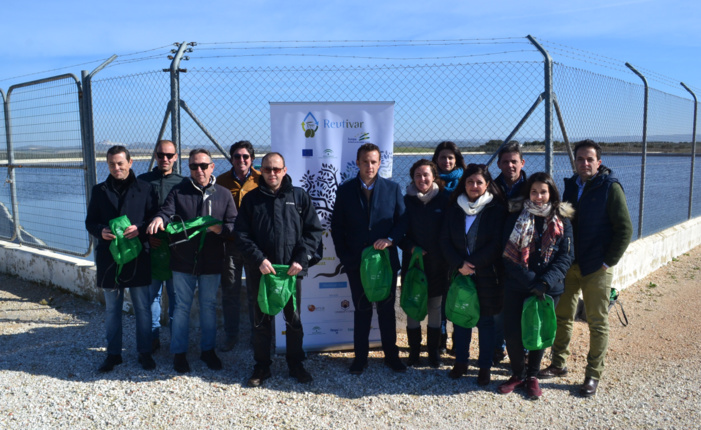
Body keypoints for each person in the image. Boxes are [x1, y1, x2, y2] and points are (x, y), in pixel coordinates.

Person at [540, 140, 632, 397]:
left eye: (589, 159)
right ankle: (558, 364)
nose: (584, 163)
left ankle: (593, 375)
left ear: (598, 162)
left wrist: (607, 261)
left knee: (597, 321)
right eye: (580, 159)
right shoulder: (569, 187)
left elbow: (624, 229)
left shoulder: (609, 188)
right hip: (569, 265)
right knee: (563, 317)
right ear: (575, 162)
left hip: (597, 268)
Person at [235, 152, 323, 387]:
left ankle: (296, 364)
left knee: (293, 320)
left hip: (290, 273)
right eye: (267, 169)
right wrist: (259, 259)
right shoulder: (251, 199)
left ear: (284, 170)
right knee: (261, 319)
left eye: (276, 169)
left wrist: (301, 258)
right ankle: (262, 366)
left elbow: (313, 232)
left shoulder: (299, 196)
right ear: (260, 171)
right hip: (262, 272)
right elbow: (241, 235)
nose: (271, 173)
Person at [147, 148, 237, 374]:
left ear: (212, 167)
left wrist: (221, 228)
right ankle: (179, 353)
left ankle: (208, 351)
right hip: (183, 262)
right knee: (181, 309)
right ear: (188, 168)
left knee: (208, 307)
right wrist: (159, 218)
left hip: (212, 262)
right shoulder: (179, 191)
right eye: (194, 166)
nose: (199, 170)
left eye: (203, 166)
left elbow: (235, 225)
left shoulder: (224, 194)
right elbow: (166, 212)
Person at [331, 143, 408, 375]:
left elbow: (403, 221)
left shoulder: (393, 188)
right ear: (357, 162)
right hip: (357, 263)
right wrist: (346, 257)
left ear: (379, 163)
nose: (369, 166)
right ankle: (360, 358)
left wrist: (391, 239)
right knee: (362, 309)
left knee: (386, 311)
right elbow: (337, 227)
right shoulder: (345, 190)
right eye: (365, 161)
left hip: (384, 263)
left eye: (374, 161)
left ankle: (391, 357)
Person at [497, 172, 574, 399]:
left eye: (543, 192)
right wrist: (530, 280)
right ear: (528, 193)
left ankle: (532, 376)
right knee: (512, 332)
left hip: (549, 287)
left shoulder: (563, 219)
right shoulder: (515, 216)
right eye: (534, 191)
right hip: (517, 284)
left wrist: (545, 282)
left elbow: (566, 256)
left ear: (551, 193)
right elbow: (508, 255)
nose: (538, 196)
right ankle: (518, 374)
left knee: (538, 332)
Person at [85, 145, 157, 372]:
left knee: (143, 309)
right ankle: (113, 355)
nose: (116, 168)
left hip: (138, 257)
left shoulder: (145, 188)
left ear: (130, 162)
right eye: (111, 164)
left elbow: (155, 218)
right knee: (112, 310)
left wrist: (141, 229)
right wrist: (100, 231)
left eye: (120, 163)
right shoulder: (99, 190)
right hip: (109, 260)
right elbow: (90, 222)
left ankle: (144, 352)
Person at [440, 163, 506, 386]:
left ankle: (484, 367)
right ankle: (461, 362)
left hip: (486, 275)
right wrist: (459, 264)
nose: (474, 186)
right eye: (470, 182)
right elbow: (444, 241)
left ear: (487, 184)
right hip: (459, 273)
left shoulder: (496, 209)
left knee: (486, 323)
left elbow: (497, 244)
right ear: (464, 184)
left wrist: (472, 264)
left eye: (479, 182)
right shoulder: (454, 208)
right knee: (461, 320)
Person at [400, 159, 450, 368]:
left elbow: (451, 231)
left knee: (435, 307)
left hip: (439, 264)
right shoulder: (404, 201)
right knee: (413, 306)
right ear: (413, 177)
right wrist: (411, 247)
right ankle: (413, 352)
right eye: (418, 175)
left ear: (434, 176)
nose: (422, 179)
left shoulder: (446, 199)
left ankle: (433, 352)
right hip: (413, 264)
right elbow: (397, 233)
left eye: (426, 175)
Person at [137, 140, 184, 351]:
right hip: (151, 248)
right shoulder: (142, 181)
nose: (164, 159)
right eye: (160, 155)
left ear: (175, 157)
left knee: (176, 298)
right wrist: (146, 237)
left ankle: (176, 339)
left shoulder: (183, 183)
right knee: (151, 297)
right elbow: (135, 214)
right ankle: (152, 337)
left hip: (176, 250)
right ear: (155, 156)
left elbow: (189, 216)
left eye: (169, 155)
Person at [216, 140, 262, 351]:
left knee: (255, 292)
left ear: (252, 159)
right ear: (231, 158)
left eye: (245, 156)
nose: (241, 160)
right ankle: (231, 335)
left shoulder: (261, 179)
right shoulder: (222, 181)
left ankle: (258, 335)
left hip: (254, 245)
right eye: (237, 156)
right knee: (230, 291)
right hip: (231, 245)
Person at [492, 141, 528, 363]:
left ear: (522, 163)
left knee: (522, 306)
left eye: (514, 161)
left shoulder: (532, 187)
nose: (510, 166)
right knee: (498, 307)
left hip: (524, 258)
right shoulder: (491, 187)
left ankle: (522, 351)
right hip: (496, 257)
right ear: (498, 164)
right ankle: (498, 347)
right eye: (505, 162)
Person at [431, 141, 467, 353]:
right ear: (436, 159)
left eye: (450, 158)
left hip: (460, 249)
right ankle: (441, 338)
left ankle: (458, 338)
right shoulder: (429, 182)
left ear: (456, 160)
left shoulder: (465, 182)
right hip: (437, 250)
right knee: (441, 297)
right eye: (443, 157)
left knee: (460, 295)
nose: (446, 161)